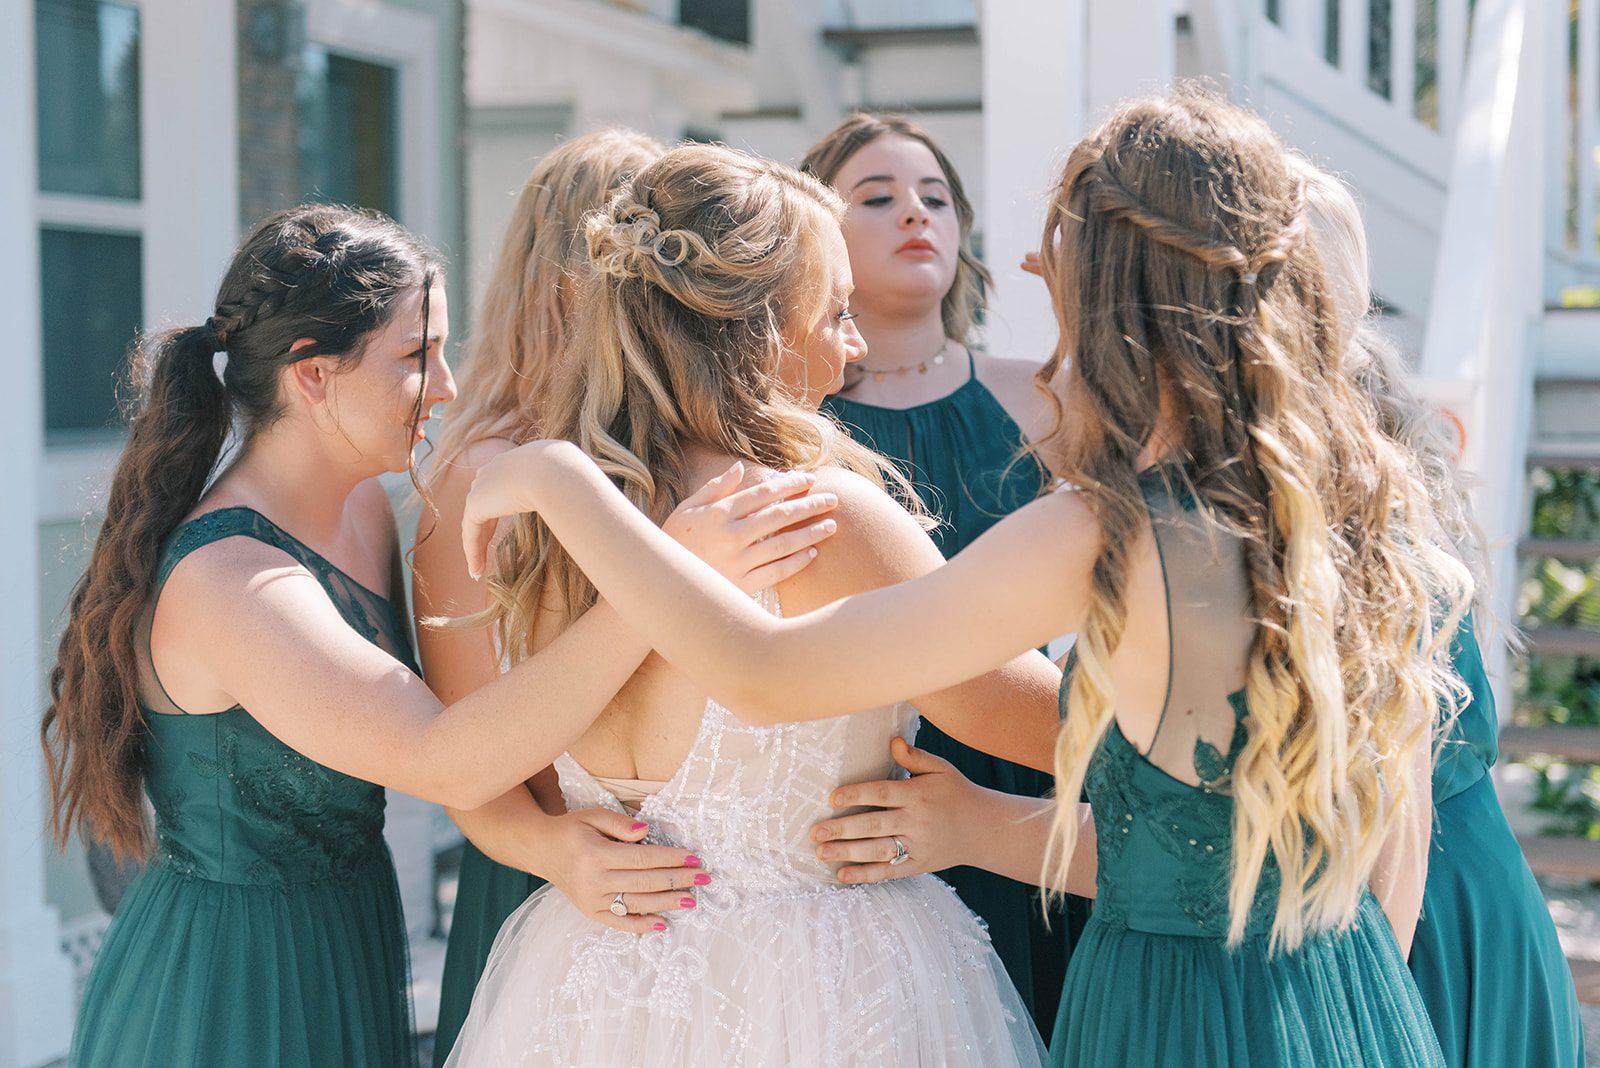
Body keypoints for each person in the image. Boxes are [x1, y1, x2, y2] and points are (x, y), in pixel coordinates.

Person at [459, 89, 1471, 1066]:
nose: (1030, 265)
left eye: (1062, 253)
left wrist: (557, 481)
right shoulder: (1323, 518)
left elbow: (750, 675)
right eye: (838, 309)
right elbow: (1373, 833)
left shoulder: (1097, 532)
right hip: (1328, 986)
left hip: (611, 985)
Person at [42, 204, 837, 1066]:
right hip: (227, 985)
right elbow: (444, 754)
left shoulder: (360, 513)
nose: (449, 385)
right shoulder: (232, 582)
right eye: (417, 356)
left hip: (345, 937)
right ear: (312, 376)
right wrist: (671, 577)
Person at [446, 143, 1057, 1066]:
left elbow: (506, 772)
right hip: (827, 989)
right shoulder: (814, 514)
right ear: (764, 330)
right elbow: (1040, 726)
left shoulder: (546, 536)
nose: (853, 346)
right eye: (837, 312)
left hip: (592, 988)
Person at [800, 114, 1080, 1031]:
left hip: (1023, 768)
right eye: (876, 198)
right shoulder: (785, 424)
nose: (915, 214)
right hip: (856, 790)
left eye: (936, 197)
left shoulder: (1042, 397)